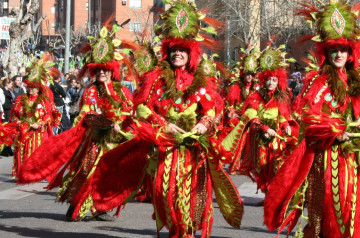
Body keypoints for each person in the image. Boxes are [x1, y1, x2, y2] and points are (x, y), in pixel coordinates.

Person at [81, 1, 243, 237]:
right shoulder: (157, 80)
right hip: (165, 147)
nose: (177, 53)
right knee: (165, 193)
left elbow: (211, 110)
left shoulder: (200, 81)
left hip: (192, 149)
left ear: (191, 53)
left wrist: (201, 124)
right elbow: (144, 109)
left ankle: (184, 231)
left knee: (190, 196)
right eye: (173, 49)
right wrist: (166, 125)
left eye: (182, 49)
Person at [264, 1, 360, 237]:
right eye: (333, 49)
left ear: (350, 53)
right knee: (321, 218)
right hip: (325, 159)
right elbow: (308, 118)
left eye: (343, 49)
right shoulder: (318, 82)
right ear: (325, 52)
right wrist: (336, 130)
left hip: (352, 160)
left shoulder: (355, 83)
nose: (338, 54)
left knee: (351, 213)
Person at [17, 23, 134, 222]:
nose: (101, 74)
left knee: (108, 176)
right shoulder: (90, 91)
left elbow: (129, 112)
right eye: (97, 71)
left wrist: (120, 124)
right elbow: (87, 114)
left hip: (115, 142)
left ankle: (100, 208)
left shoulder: (123, 91)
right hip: (94, 142)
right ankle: (76, 204)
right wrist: (106, 122)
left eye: (104, 70)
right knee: (85, 172)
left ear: (112, 70)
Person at [223, 45, 299, 197]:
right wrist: (264, 128)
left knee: (274, 166)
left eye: (274, 80)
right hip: (259, 136)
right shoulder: (256, 96)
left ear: (278, 82)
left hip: (276, 137)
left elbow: (283, 117)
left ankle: (273, 196)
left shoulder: (281, 97)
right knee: (260, 168)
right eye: (269, 80)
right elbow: (252, 115)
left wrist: (286, 127)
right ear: (264, 80)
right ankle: (266, 194)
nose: (271, 82)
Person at [10, 56, 61, 177]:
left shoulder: (44, 101)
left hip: (38, 132)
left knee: (38, 152)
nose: (31, 90)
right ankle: (23, 172)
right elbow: (13, 114)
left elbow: (48, 115)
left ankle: (37, 172)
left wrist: (40, 124)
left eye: (33, 87)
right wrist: (20, 123)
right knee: (22, 151)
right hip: (24, 130)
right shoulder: (20, 99)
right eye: (29, 87)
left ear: (38, 88)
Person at [221, 47, 260, 173]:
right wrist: (231, 112)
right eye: (247, 74)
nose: (249, 77)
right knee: (237, 128)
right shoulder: (236, 87)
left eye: (251, 74)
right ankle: (236, 162)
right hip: (239, 118)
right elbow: (230, 104)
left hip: (254, 118)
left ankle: (252, 164)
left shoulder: (258, 88)